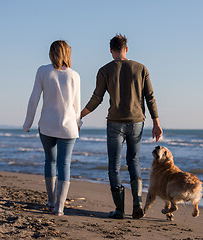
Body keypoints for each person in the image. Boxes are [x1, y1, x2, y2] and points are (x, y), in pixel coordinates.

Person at [81, 34, 163, 219]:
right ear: (126, 49)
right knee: (133, 161)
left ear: (111, 51)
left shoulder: (104, 70)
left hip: (115, 123)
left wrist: (79, 115)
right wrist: (156, 122)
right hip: (136, 122)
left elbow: (97, 98)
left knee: (114, 166)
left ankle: (119, 209)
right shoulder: (141, 68)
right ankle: (137, 204)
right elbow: (150, 98)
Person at [23, 40, 81, 216]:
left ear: (51, 53)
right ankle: (60, 208)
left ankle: (50, 201)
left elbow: (34, 99)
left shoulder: (43, 71)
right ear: (68, 54)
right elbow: (76, 106)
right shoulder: (74, 75)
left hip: (47, 125)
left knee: (50, 161)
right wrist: (77, 124)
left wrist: (28, 123)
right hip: (68, 126)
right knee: (64, 163)